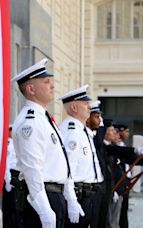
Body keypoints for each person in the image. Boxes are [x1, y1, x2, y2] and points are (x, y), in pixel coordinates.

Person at [11, 59, 84, 228]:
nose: (52, 86)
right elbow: (32, 168)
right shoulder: (31, 121)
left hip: (54, 195)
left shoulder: (44, 119)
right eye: (46, 82)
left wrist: (70, 198)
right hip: (41, 198)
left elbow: (60, 164)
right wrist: (44, 210)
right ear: (31, 89)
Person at [59, 85, 104, 228]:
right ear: (74, 107)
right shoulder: (71, 132)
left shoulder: (81, 130)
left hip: (87, 194)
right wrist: (72, 200)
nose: (89, 107)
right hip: (78, 195)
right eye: (85, 104)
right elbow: (67, 170)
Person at [3, 125, 23, 228]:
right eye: (10, 130)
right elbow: (6, 163)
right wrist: (8, 180)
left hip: (17, 176)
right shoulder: (9, 144)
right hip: (11, 176)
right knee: (9, 208)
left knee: (17, 207)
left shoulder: (17, 143)